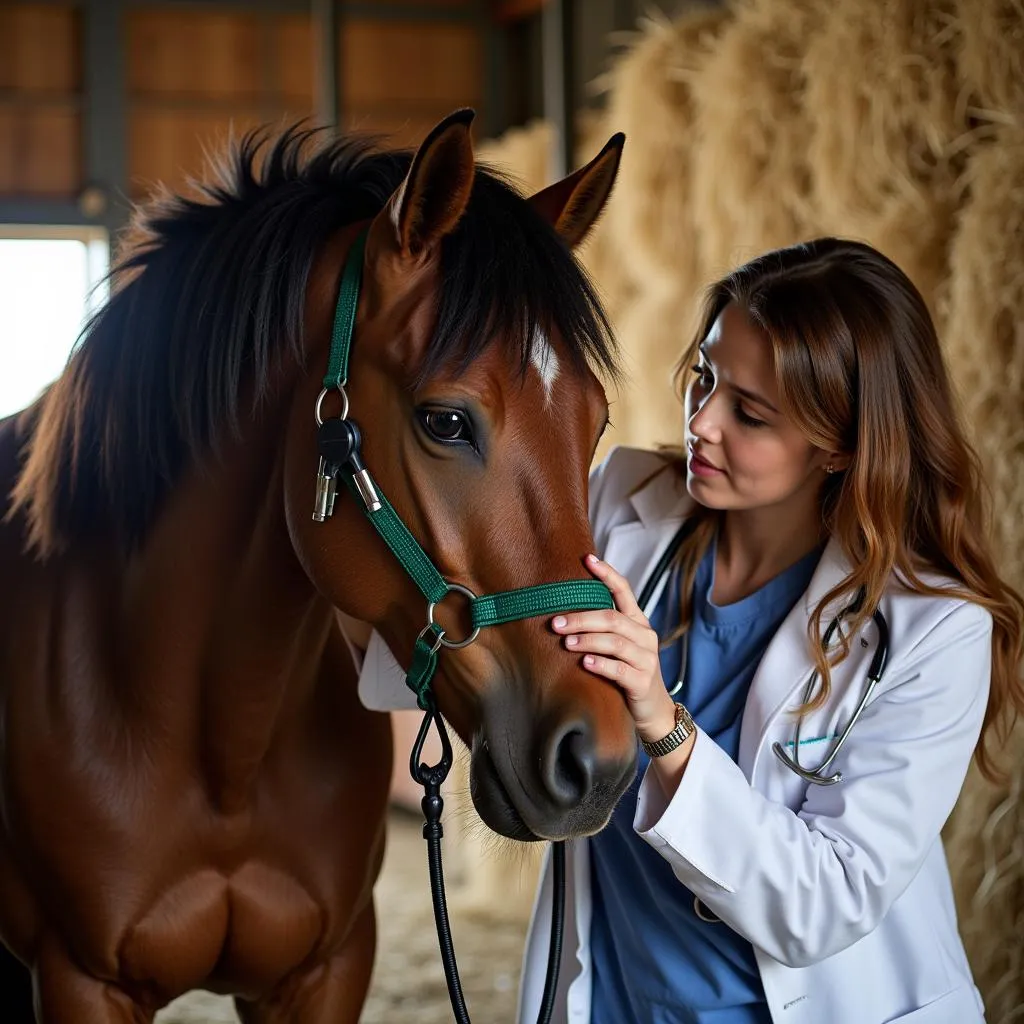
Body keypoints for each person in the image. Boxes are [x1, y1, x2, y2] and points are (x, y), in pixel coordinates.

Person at [358, 238, 1024, 1024]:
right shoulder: (620, 498)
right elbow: (453, 633)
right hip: (613, 1003)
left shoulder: (936, 631)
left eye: (750, 412)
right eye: (705, 376)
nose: (701, 422)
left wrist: (662, 723)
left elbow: (826, 905)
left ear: (840, 444)